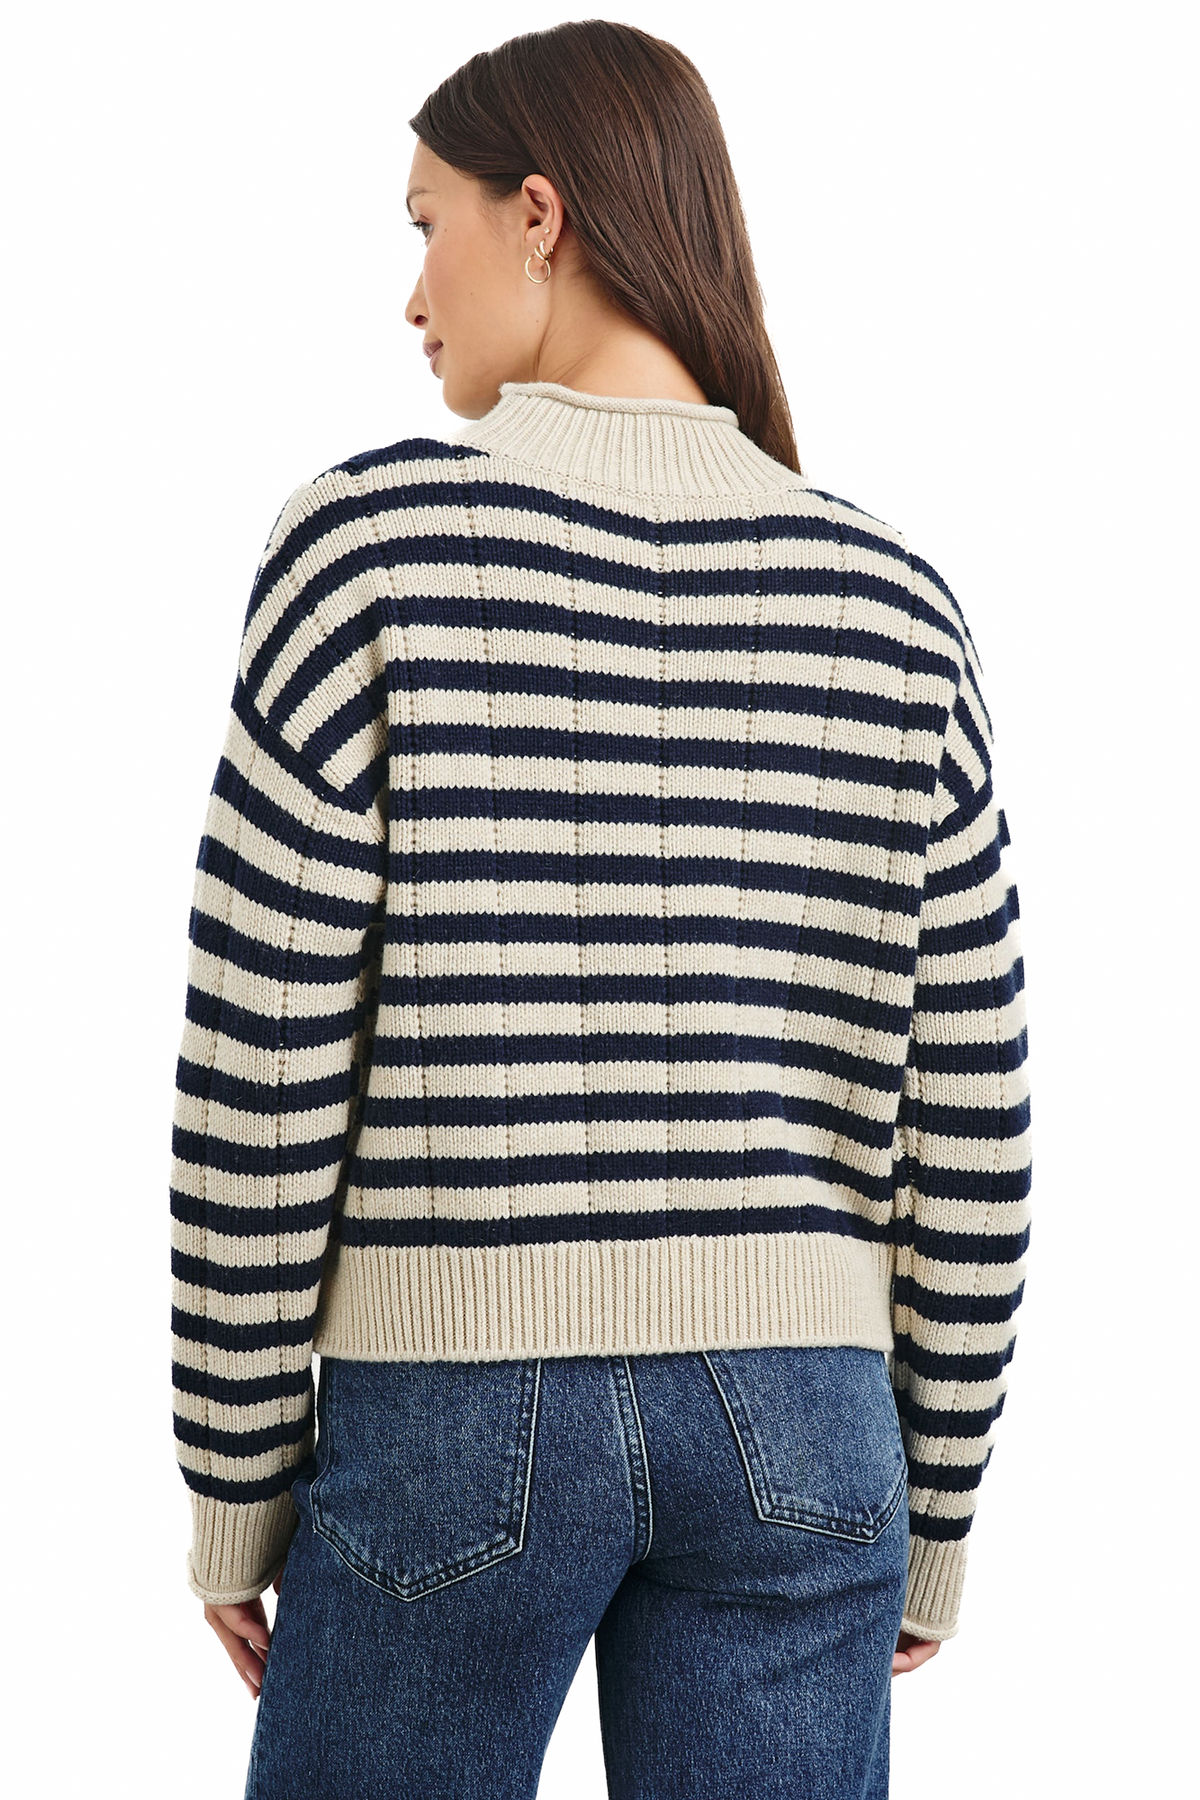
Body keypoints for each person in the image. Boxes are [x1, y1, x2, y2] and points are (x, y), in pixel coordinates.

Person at [168, 20, 1031, 1799]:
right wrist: (935, 1501)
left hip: (453, 1406)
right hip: (806, 1427)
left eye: (429, 224)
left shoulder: (365, 552)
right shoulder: (895, 604)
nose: (413, 295)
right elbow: (971, 1109)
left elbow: (260, 1064)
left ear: (541, 217)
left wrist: (237, 1481)